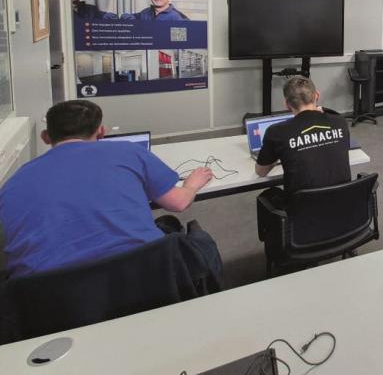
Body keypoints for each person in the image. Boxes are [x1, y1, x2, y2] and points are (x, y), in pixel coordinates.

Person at [0, 100, 219, 278]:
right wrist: (192, 184)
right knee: (202, 244)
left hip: (46, 299)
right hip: (145, 276)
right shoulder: (127, 152)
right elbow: (178, 202)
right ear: (101, 131)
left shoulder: (13, 184)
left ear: (46, 137)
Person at [255, 76, 351, 197]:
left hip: (303, 207)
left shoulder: (276, 132)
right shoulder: (339, 121)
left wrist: (277, 155)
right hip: (344, 202)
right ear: (317, 95)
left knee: (268, 195)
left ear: (287, 105)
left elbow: (261, 172)